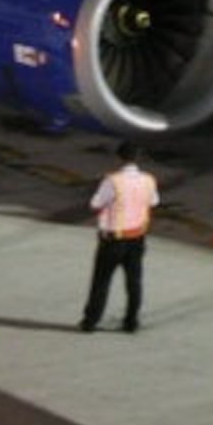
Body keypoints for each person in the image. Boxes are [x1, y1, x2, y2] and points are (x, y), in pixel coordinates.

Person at [79, 139, 161, 333]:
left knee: (101, 280)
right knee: (134, 280)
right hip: (137, 236)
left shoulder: (113, 180)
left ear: (119, 158)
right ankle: (131, 321)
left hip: (114, 238)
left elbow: (96, 203)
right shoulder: (149, 179)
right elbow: (154, 202)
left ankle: (91, 321)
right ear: (139, 158)